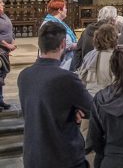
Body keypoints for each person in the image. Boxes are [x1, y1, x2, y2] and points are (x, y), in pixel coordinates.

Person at [18, 21, 93, 168]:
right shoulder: (66, 78)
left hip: (33, 156)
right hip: (62, 156)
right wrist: (76, 112)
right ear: (63, 44)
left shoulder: (24, 76)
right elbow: (92, 109)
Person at [77, 23, 117, 97]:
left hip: (89, 97)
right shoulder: (116, 57)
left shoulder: (89, 55)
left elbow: (81, 77)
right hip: (106, 99)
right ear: (114, 38)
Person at [42, 0, 78, 70]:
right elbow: (67, 44)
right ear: (59, 10)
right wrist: (80, 44)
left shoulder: (54, 21)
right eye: (65, 8)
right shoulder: (54, 24)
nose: (66, 10)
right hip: (61, 61)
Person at [0, 0, 15, 110]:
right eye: (1, 2)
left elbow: (10, 30)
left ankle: (0, 100)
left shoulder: (4, 16)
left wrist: (12, 41)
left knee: (2, 76)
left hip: (4, 52)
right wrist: (7, 45)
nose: (3, 4)